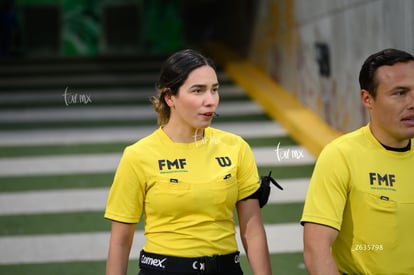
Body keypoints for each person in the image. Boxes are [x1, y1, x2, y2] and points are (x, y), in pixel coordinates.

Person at [105, 49, 272, 275]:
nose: (210, 101)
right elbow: (120, 242)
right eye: (198, 91)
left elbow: (252, 231)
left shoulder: (236, 147)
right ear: (169, 97)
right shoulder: (138, 155)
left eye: (215, 90)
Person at [300, 48, 414, 274]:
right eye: (400, 93)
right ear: (367, 99)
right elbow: (316, 247)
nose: (412, 102)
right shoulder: (340, 156)